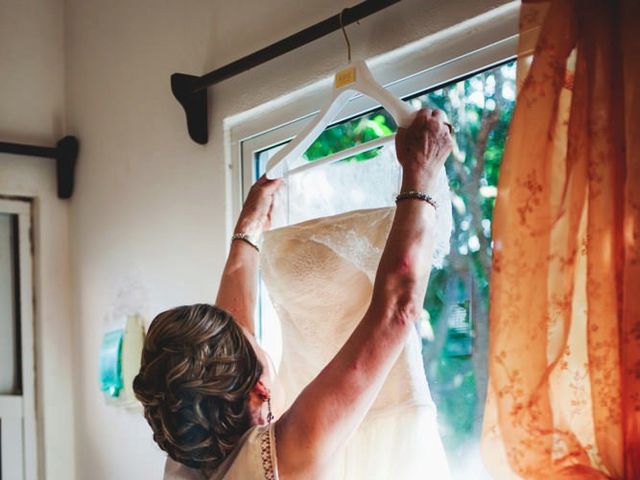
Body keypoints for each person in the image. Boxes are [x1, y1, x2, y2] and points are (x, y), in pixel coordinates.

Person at [133, 108, 453, 479]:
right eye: (253, 343)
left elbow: (221, 355)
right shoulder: (290, 451)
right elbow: (395, 310)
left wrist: (247, 231)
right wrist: (421, 173)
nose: (247, 329)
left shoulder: (187, 444)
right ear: (260, 390)